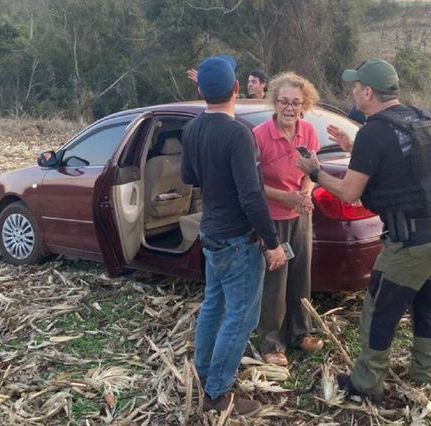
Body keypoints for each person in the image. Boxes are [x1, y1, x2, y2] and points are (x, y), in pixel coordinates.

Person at [297, 59, 431, 402]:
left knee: (379, 308)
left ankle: (367, 383)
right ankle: (428, 373)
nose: (353, 90)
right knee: (426, 302)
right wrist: (353, 149)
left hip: (412, 241)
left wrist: (314, 170)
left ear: (368, 92)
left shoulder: (374, 131)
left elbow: (348, 193)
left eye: (356, 86)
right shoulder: (419, 119)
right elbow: (406, 166)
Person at [181, 55, 287, 415]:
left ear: (200, 89)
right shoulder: (238, 133)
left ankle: (203, 373)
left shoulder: (192, 129)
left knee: (213, 305)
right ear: (237, 89)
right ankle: (217, 394)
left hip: (210, 233)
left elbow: (189, 178)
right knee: (241, 316)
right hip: (239, 240)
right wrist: (272, 242)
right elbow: (251, 195)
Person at [253, 72, 324, 367]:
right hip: (272, 219)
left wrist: (306, 193)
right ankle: (271, 342)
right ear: (274, 102)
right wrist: (287, 198)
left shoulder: (307, 132)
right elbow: (252, 185)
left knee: (300, 275)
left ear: (304, 104)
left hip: (299, 216)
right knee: (275, 282)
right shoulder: (258, 136)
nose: (289, 108)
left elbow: (312, 171)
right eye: (283, 101)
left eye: (295, 102)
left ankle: (300, 333)